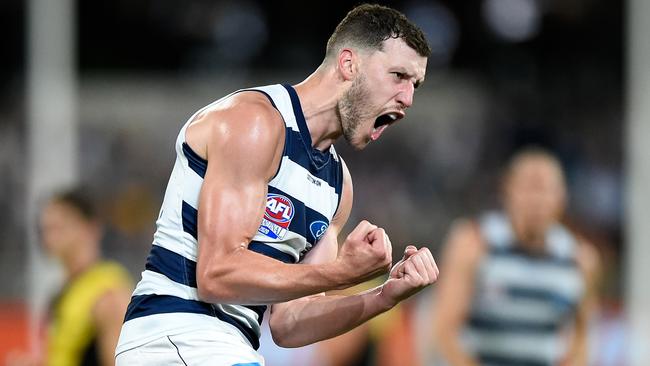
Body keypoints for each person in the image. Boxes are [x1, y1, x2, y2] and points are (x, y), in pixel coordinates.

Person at [115, 4, 439, 366]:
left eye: (416, 85)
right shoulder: (254, 122)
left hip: (227, 348)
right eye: (398, 75)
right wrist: (342, 273)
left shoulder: (337, 187)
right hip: (174, 336)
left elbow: (290, 324)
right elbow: (216, 275)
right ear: (349, 64)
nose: (408, 99)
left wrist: (385, 295)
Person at [431, 147, 600, 366]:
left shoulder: (580, 259)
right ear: (507, 191)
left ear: (562, 196)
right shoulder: (475, 243)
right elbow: (445, 331)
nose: (537, 200)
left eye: (545, 189)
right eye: (529, 188)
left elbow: (582, 337)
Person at [9, 188, 133, 366]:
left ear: (90, 228)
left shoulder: (109, 292)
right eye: (46, 228)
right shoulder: (63, 292)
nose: (49, 236)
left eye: (59, 227)